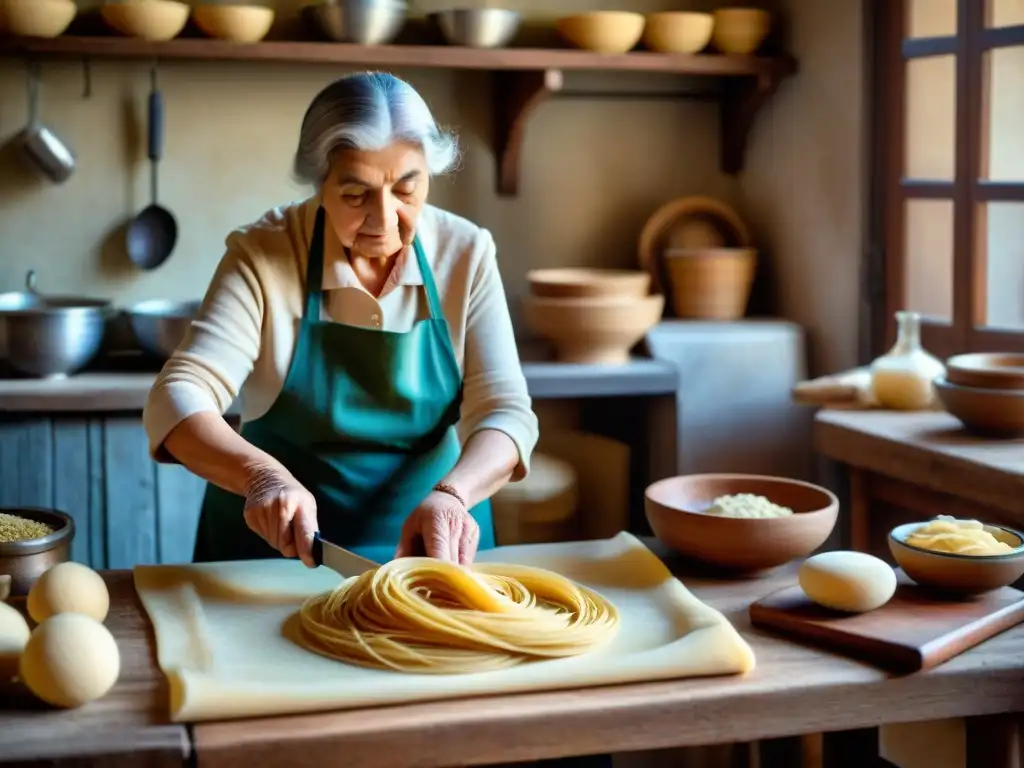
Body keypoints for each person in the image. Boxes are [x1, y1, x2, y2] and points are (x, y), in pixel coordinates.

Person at [143, 71, 539, 568]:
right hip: (275, 556)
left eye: (406, 189)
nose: (384, 218)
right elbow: (176, 396)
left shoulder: (465, 252)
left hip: (431, 551)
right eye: (356, 194)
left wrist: (455, 494)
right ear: (320, 184)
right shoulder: (265, 253)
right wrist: (261, 477)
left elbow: (506, 412)